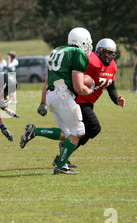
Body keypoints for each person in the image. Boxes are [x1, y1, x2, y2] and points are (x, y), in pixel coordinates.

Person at [41, 38, 126, 168]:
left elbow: (111, 87)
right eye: (105, 52)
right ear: (98, 51)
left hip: (89, 102)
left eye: (110, 53)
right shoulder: (91, 59)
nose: (108, 55)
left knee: (85, 132)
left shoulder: (112, 66)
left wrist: (116, 100)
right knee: (93, 128)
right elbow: (74, 70)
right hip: (79, 99)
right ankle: (62, 156)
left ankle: (63, 156)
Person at [20, 27, 94, 175]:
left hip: (51, 95)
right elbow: (79, 87)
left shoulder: (57, 51)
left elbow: (47, 81)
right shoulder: (78, 53)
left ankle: (35, 132)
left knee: (67, 133)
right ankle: (60, 166)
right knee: (79, 131)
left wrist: (43, 102)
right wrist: (91, 90)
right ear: (84, 42)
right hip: (62, 95)